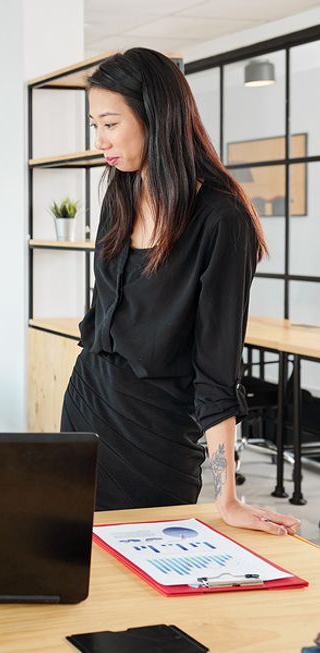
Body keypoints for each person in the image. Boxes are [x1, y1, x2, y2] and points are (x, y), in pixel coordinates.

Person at [61, 48, 300, 536]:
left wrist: (226, 496)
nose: (100, 139)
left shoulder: (220, 219)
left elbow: (217, 371)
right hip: (87, 405)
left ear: (156, 116)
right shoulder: (119, 194)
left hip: (157, 435)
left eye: (110, 123)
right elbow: (102, 318)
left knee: (145, 583)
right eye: (94, 126)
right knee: (75, 560)